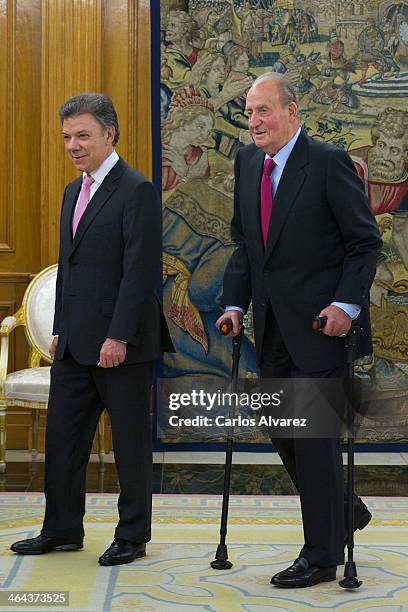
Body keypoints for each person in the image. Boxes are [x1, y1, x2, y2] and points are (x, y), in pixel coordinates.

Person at [216, 73, 382, 588]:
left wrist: (345, 306)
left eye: (264, 111)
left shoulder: (328, 163)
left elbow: (364, 243)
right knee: (281, 427)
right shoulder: (246, 163)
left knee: (313, 439)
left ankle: (321, 555)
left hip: (321, 328)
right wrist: (233, 303)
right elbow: (247, 247)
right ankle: (341, 508)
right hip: (270, 329)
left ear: (292, 113)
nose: (255, 122)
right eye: (249, 113)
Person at [11, 93, 173, 566]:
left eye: (83, 135)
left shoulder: (136, 189)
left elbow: (140, 271)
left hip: (122, 344)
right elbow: (71, 269)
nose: (73, 145)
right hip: (74, 343)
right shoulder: (71, 191)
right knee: (62, 442)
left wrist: (118, 336)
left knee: (128, 448)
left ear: (109, 134)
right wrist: (60, 329)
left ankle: (132, 536)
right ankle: (61, 529)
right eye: (66, 137)